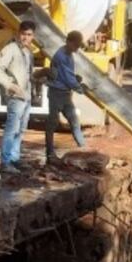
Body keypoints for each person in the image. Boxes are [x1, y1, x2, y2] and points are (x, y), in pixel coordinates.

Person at [0, 20, 36, 174]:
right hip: (15, 97)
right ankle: (5, 163)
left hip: (26, 96)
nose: (25, 37)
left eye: (29, 35)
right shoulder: (10, 49)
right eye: (23, 34)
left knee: (21, 130)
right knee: (11, 129)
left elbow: (29, 74)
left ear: (33, 36)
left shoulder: (28, 52)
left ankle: (14, 159)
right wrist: (10, 85)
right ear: (19, 34)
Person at [45, 30, 86, 164]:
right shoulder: (61, 56)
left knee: (74, 120)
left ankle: (84, 148)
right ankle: (50, 153)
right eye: (76, 46)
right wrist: (79, 88)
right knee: (52, 123)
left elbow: (68, 75)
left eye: (79, 46)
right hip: (56, 93)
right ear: (69, 42)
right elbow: (67, 77)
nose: (77, 49)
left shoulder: (69, 54)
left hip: (65, 94)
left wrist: (76, 79)